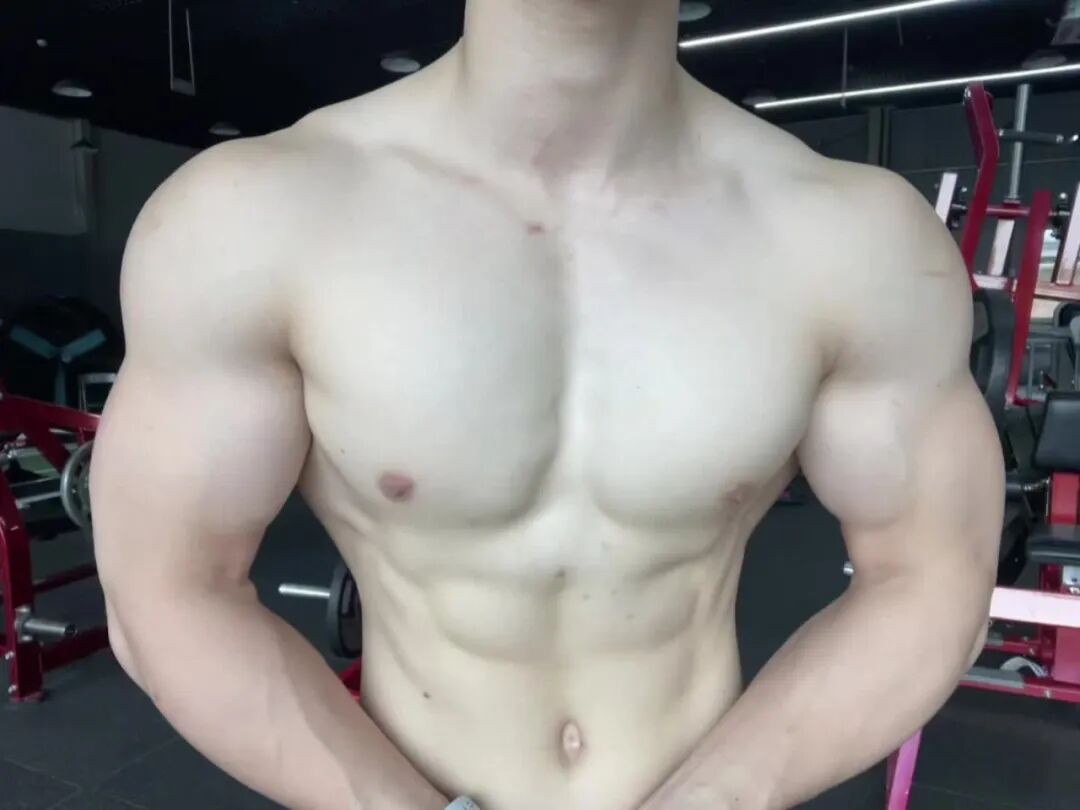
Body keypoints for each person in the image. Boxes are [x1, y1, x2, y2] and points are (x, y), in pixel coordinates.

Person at [90, 0, 1004, 808]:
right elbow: (169, 588)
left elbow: (929, 578)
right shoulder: (249, 219)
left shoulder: (854, 240)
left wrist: (720, 798)